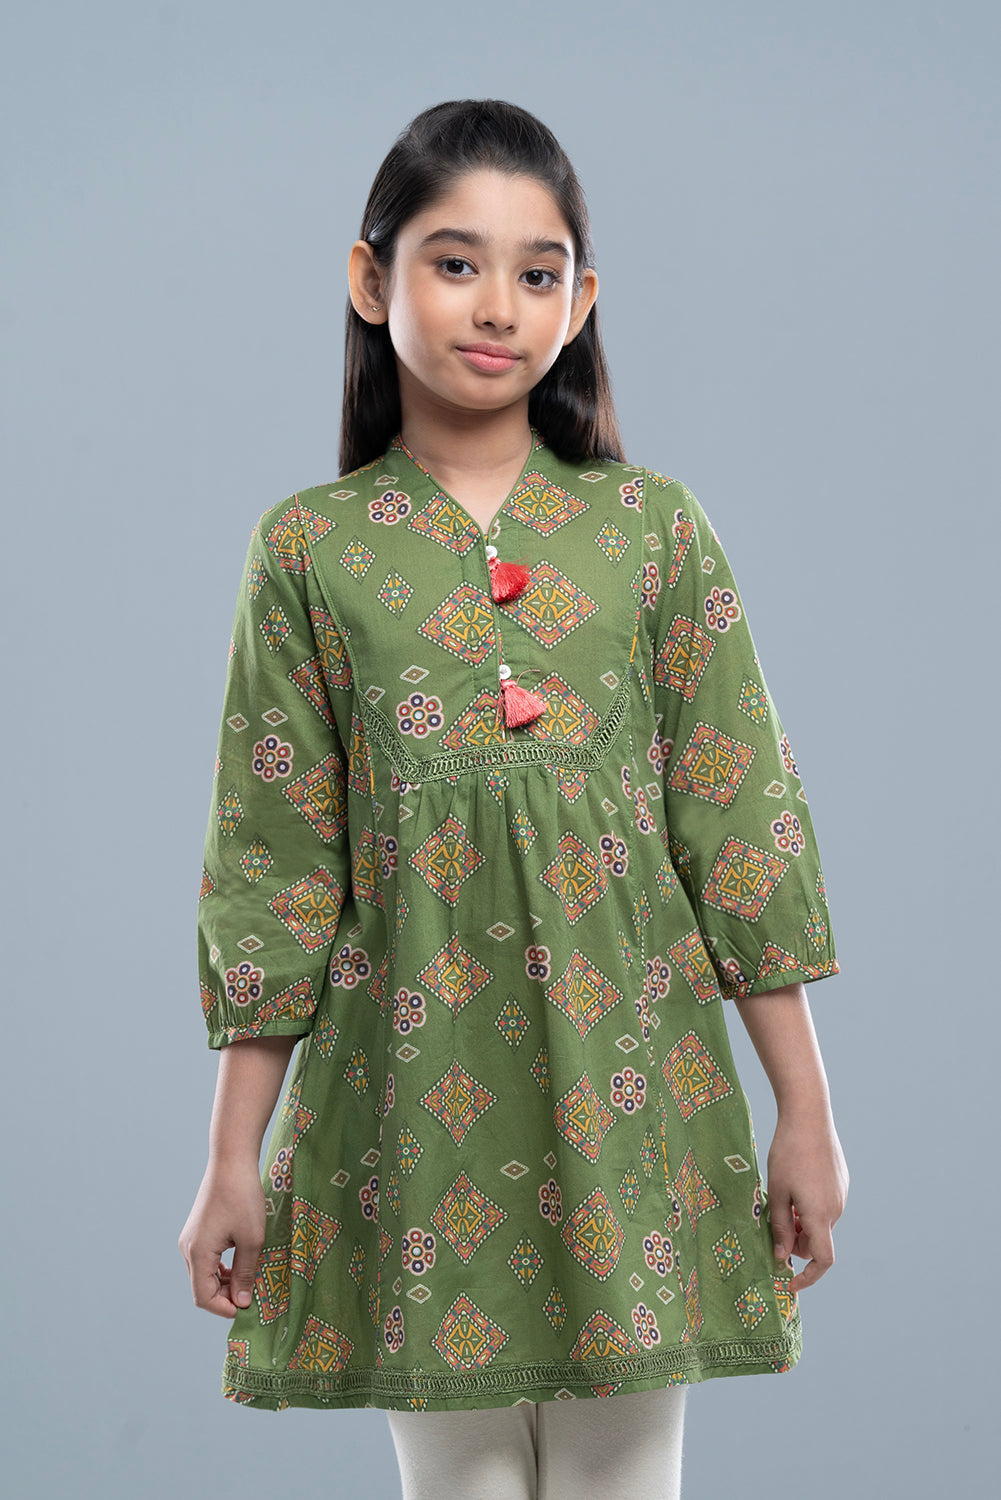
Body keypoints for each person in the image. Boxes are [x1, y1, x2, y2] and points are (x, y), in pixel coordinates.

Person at [179, 99, 848, 1499]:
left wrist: (806, 1111)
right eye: (455, 262)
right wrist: (231, 1157)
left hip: (635, 1097)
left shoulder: (652, 531)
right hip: (410, 1116)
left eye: (538, 273)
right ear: (371, 281)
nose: (498, 305)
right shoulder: (309, 552)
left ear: (581, 302)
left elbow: (738, 821)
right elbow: (274, 866)